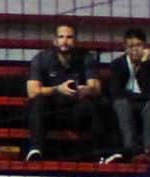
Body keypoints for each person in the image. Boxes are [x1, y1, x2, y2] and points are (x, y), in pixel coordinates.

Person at [23, 21, 103, 162]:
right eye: (61, 37)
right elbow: (32, 91)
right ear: (55, 40)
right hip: (51, 113)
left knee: (95, 104)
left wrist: (86, 90)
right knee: (38, 101)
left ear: (75, 40)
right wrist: (57, 89)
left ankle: (102, 153)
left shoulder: (86, 58)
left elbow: (96, 88)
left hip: (75, 111)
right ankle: (35, 150)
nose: (65, 41)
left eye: (69, 37)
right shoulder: (41, 59)